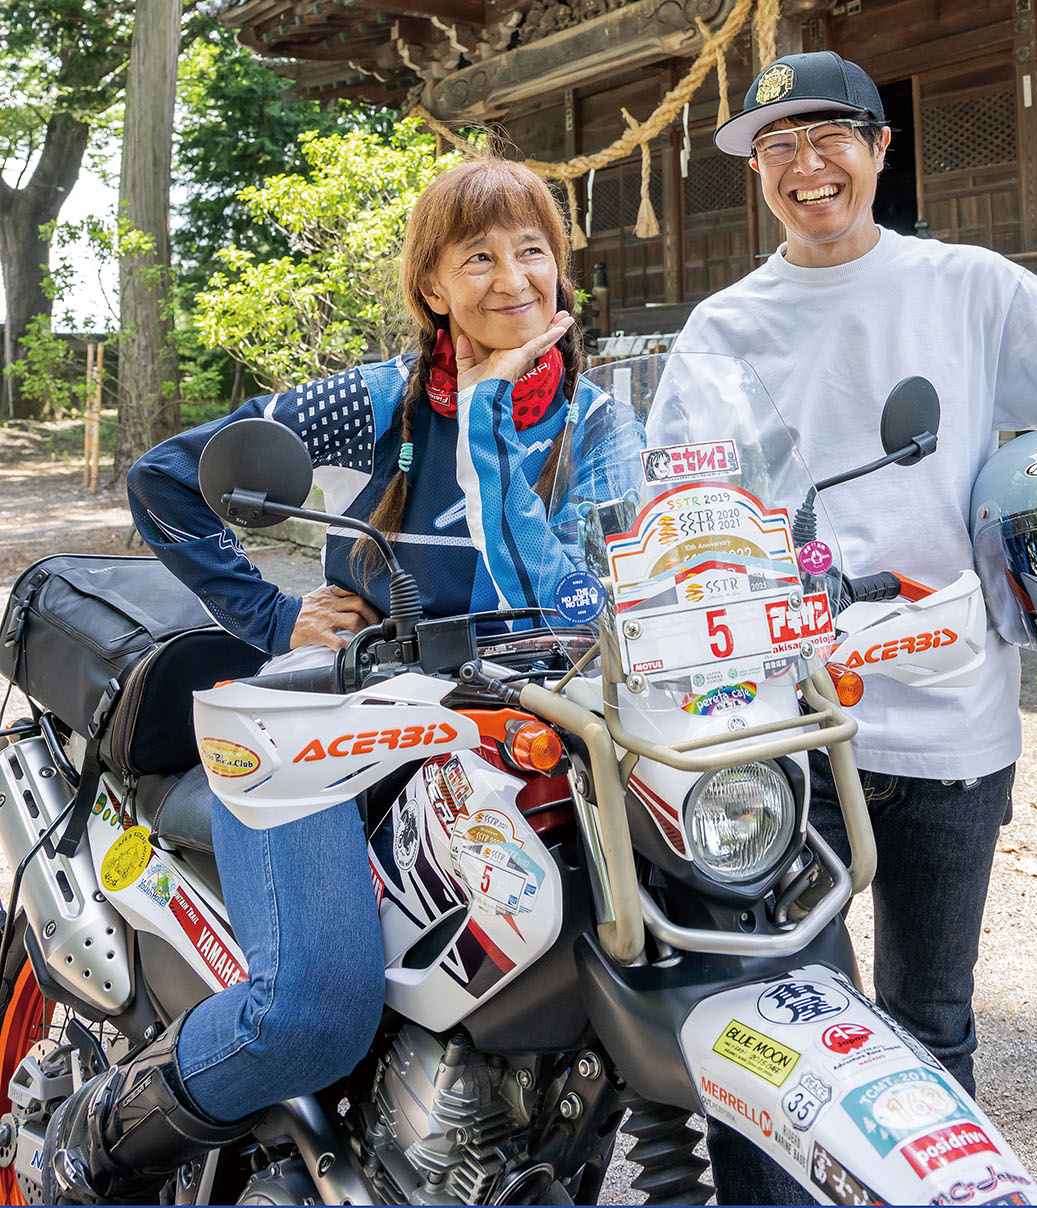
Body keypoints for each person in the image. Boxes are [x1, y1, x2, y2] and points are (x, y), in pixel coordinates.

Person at [677, 50, 1037, 1206]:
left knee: (928, 1023)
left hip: (948, 726)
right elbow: (668, 505)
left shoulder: (969, 286)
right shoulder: (721, 328)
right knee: (773, 1044)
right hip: (778, 739)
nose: (802, 163)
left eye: (828, 133)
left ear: (881, 148)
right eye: (773, 145)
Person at [42, 155, 636, 1203]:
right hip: (325, 727)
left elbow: (588, 606)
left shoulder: (599, 424)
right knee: (312, 1008)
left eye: (532, 250)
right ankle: (92, 1141)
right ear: (433, 287)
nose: (511, 278)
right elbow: (170, 479)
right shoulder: (389, 404)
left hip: (517, 734)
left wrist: (501, 430)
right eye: (478, 256)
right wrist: (275, 618)